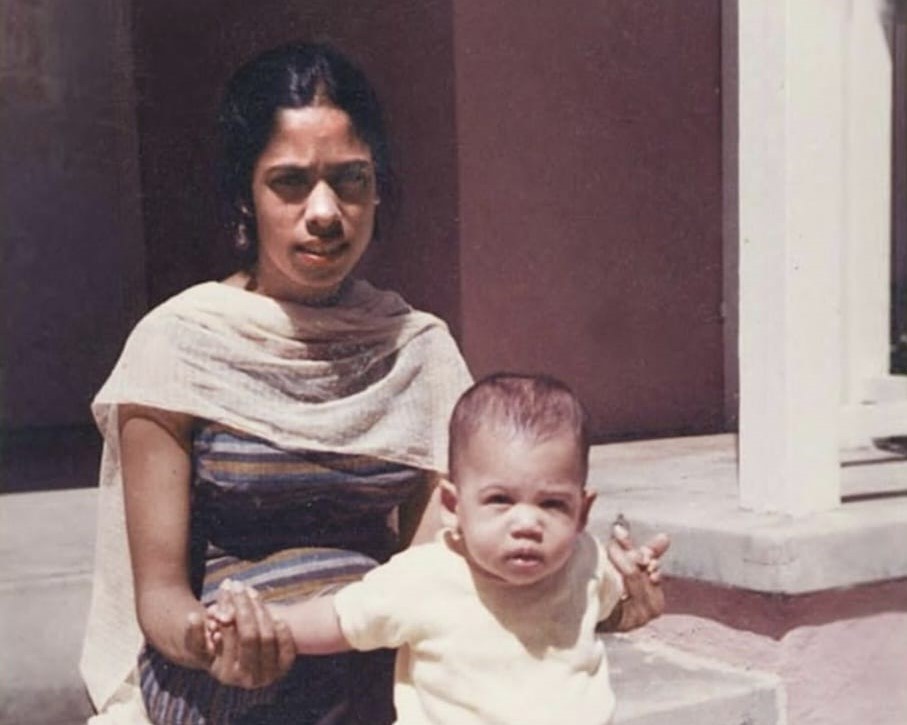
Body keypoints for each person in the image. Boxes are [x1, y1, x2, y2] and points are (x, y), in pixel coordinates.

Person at [78, 41, 668, 725]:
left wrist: (613, 600)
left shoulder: (415, 349)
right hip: (228, 671)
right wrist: (214, 643)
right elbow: (158, 596)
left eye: (350, 179)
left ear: (378, 188)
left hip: (376, 656)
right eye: (290, 182)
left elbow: (450, 555)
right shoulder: (179, 346)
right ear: (245, 195)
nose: (325, 210)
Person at [210, 373, 669, 724]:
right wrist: (262, 621)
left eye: (552, 504)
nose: (527, 523)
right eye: (500, 501)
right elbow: (338, 620)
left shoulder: (586, 561)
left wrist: (635, 584)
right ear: (453, 505)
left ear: (582, 512)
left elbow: (611, 609)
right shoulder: (424, 577)